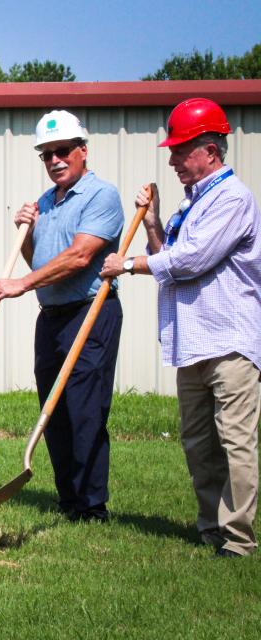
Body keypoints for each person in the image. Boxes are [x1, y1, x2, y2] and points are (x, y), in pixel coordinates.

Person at [100, 98, 260, 557]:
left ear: (210, 150)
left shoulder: (232, 199)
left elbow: (191, 261)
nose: (171, 160)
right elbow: (170, 254)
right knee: (197, 444)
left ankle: (237, 541)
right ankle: (210, 527)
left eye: (180, 150)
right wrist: (153, 224)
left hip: (229, 341)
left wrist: (127, 264)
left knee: (235, 443)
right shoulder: (193, 204)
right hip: (193, 342)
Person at [0, 110, 124, 522]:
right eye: (46, 154)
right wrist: (26, 234)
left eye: (62, 151)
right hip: (51, 317)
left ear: (83, 151)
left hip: (90, 311)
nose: (54, 160)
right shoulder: (46, 202)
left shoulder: (101, 195)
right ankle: (69, 500)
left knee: (85, 408)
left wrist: (22, 283)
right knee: (54, 408)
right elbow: (43, 258)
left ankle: (92, 506)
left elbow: (80, 257)